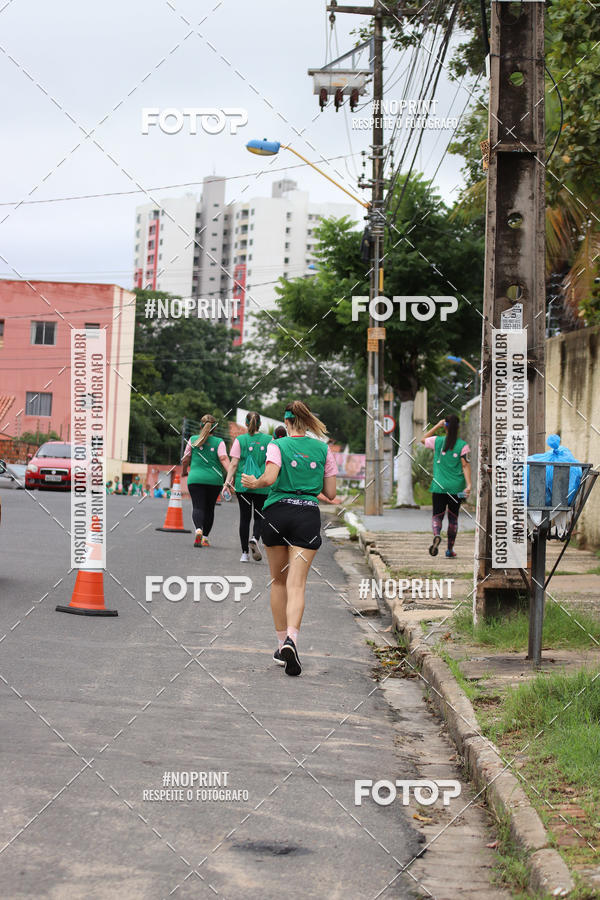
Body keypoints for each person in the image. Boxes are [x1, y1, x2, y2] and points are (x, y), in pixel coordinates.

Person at [241, 400, 337, 676]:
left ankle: (281, 641)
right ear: (307, 423)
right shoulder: (323, 449)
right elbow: (330, 493)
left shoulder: (277, 444)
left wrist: (255, 482)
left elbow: (269, 478)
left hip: (277, 514)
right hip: (307, 515)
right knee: (298, 585)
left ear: (287, 422)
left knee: (278, 582)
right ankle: (293, 639)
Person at [420, 414, 471, 558]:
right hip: (456, 488)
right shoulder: (463, 445)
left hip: (438, 487)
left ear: (446, 427)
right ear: (458, 427)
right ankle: (449, 550)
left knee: (437, 516)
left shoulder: (438, 441)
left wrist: (437, 425)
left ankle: (437, 534)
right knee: (453, 518)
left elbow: (423, 439)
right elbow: (465, 465)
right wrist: (469, 485)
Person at [225, 412, 272, 563]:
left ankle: (244, 554)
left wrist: (227, 483)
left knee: (244, 518)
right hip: (262, 485)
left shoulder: (240, 440)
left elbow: (233, 464)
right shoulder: (270, 440)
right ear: (260, 424)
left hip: (243, 484)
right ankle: (254, 538)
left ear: (246, 424)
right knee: (259, 516)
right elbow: (273, 463)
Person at [181, 415, 230, 548]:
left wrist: (184, 471)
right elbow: (224, 459)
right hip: (214, 480)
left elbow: (185, 459)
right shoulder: (219, 442)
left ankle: (198, 529)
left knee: (197, 506)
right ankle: (205, 538)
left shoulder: (193, 439)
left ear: (200, 425)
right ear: (215, 427)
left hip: (195, 479)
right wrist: (230, 477)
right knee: (209, 509)